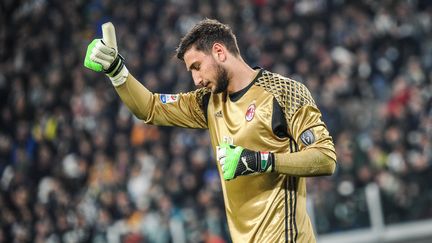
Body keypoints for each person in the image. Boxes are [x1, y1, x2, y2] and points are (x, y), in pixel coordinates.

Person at [84, 19, 337, 243]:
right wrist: (117, 71)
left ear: (219, 51)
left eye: (197, 66)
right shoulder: (209, 101)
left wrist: (261, 160)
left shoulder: (284, 92)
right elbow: (150, 108)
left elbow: (325, 158)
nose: (196, 80)